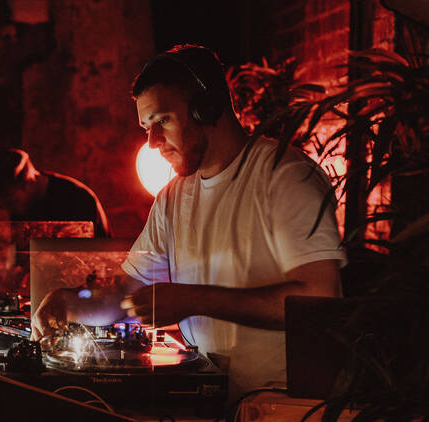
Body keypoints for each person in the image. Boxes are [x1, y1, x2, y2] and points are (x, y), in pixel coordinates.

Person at [32, 44, 346, 399]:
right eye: (145, 127)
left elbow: (321, 299)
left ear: (206, 108)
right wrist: (67, 303)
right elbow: (123, 293)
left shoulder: (286, 177)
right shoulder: (172, 198)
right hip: (211, 399)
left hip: (282, 403)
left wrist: (194, 299)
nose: (151, 143)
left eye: (162, 121)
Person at [0, 147, 112, 238]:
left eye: (10, 201)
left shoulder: (76, 199)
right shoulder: (23, 208)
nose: (7, 209)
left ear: (29, 182)